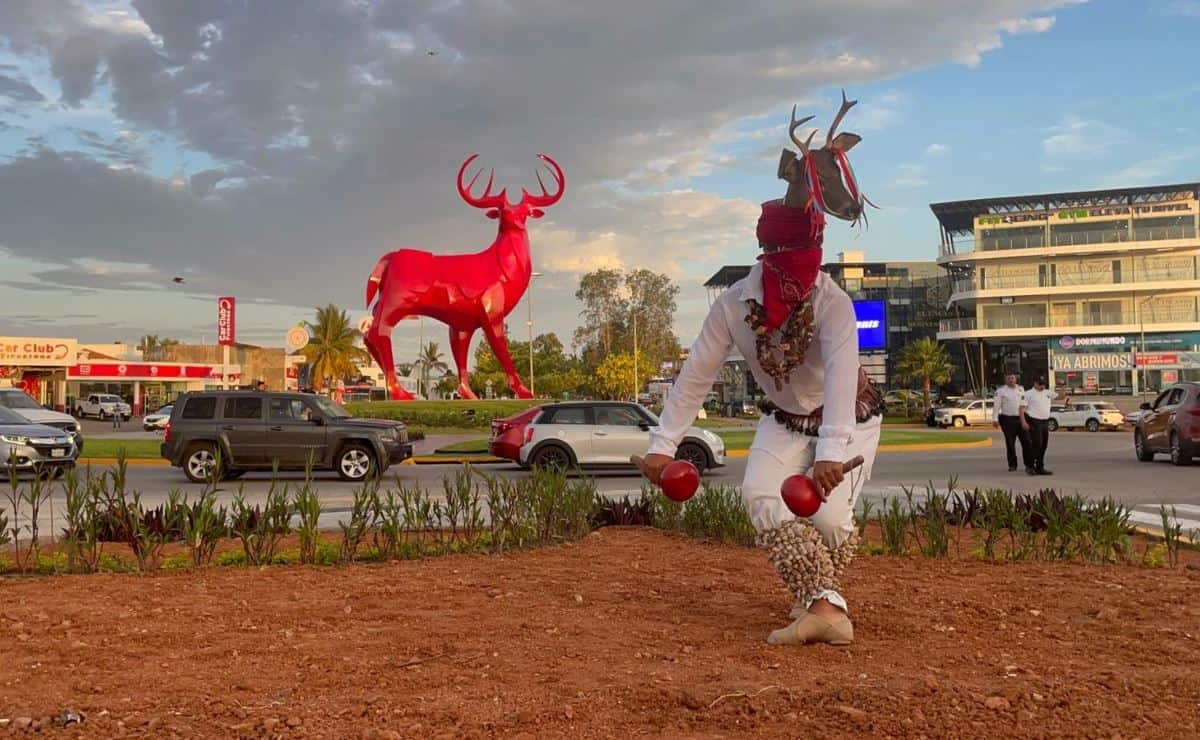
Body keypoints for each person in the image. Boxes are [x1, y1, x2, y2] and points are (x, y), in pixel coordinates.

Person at [635, 201, 883, 647]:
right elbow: (696, 376)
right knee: (760, 494)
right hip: (784, 418)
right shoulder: (732, 306)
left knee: (828, 518)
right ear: (766, 251)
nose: (803, 275)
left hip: (848, 417)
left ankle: (814, 598)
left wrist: (830, 452)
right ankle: (824, 610)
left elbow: (843, 379)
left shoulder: (833, 303)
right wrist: (664, 443)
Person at [993, 373, 1033, 474]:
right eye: (1009, 378)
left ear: (1016, 379)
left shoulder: (1021, 389)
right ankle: (1012, 464)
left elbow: (1025, 404)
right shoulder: (1001, 391)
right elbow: (996, 405)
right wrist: (995, 419)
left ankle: (1029, 464)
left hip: (1021, 419)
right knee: (1010, 443)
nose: (1011, 380)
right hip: (1008, 420)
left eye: (1012, 378)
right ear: (1006, 380)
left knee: (1027, 442)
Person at [1021, 376, 1055, 475]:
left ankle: (1040, 467)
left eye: (1043, 384)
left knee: (1044, 445)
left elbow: (1061, 396)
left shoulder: (1047, 392)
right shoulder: (1028, 394)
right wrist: (1023, 422)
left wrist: (1063, 386)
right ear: (1035, 383)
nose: (1042, 386)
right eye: (1040, 384)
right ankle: (1030, 466)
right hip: (1033, 421)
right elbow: (1021, 409)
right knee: (1037, 444)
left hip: (1045, 422)